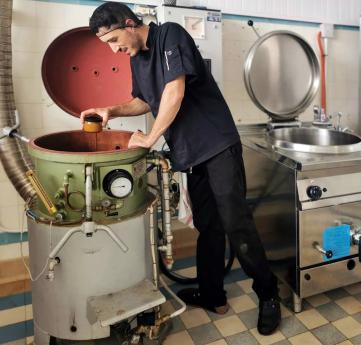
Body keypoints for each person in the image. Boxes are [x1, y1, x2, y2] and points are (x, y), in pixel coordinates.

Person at [82, 2, 281, 335]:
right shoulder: (137, 59)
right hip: (192, 152)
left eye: (114, 40)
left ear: (129, 24)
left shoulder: (169, 35)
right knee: (208, 225)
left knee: (236, 223)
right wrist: (110, 110)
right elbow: (144, 100)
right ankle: (213, 294)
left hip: (218, 145)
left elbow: (175, 90)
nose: (115, 50)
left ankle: (268, 294)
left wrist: (150, 137)